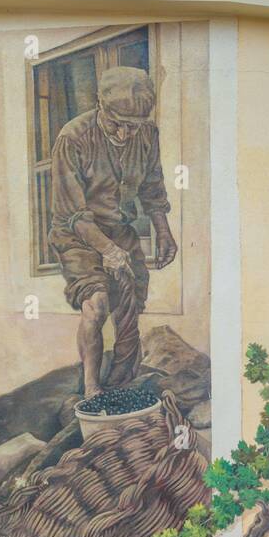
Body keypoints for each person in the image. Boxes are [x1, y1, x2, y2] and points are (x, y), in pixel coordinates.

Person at [49, 65, 177, 396]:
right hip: (77, 234)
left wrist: (163, 231)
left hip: (120, 230)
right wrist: (107, 250)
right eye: (116, 124)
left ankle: (122, 382)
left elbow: (152, 186)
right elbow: (73, 213)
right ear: (99, 105)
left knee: (131, 307)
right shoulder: (72, 137)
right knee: (98, 303)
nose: (124, 134)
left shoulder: (148, 135)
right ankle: (91, 387)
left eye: (132, 128)